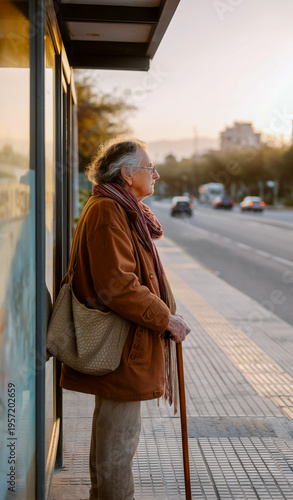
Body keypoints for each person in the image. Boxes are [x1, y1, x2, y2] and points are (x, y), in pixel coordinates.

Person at [59, 138, 191, 500]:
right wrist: (167, 319)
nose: (156, 174)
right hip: (121, 348)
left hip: (125, 347)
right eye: (150, 168)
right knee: (118, 446)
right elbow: (118, 285)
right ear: (127, 173)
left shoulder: (119, 208)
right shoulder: (108, 211)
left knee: (111, 440)